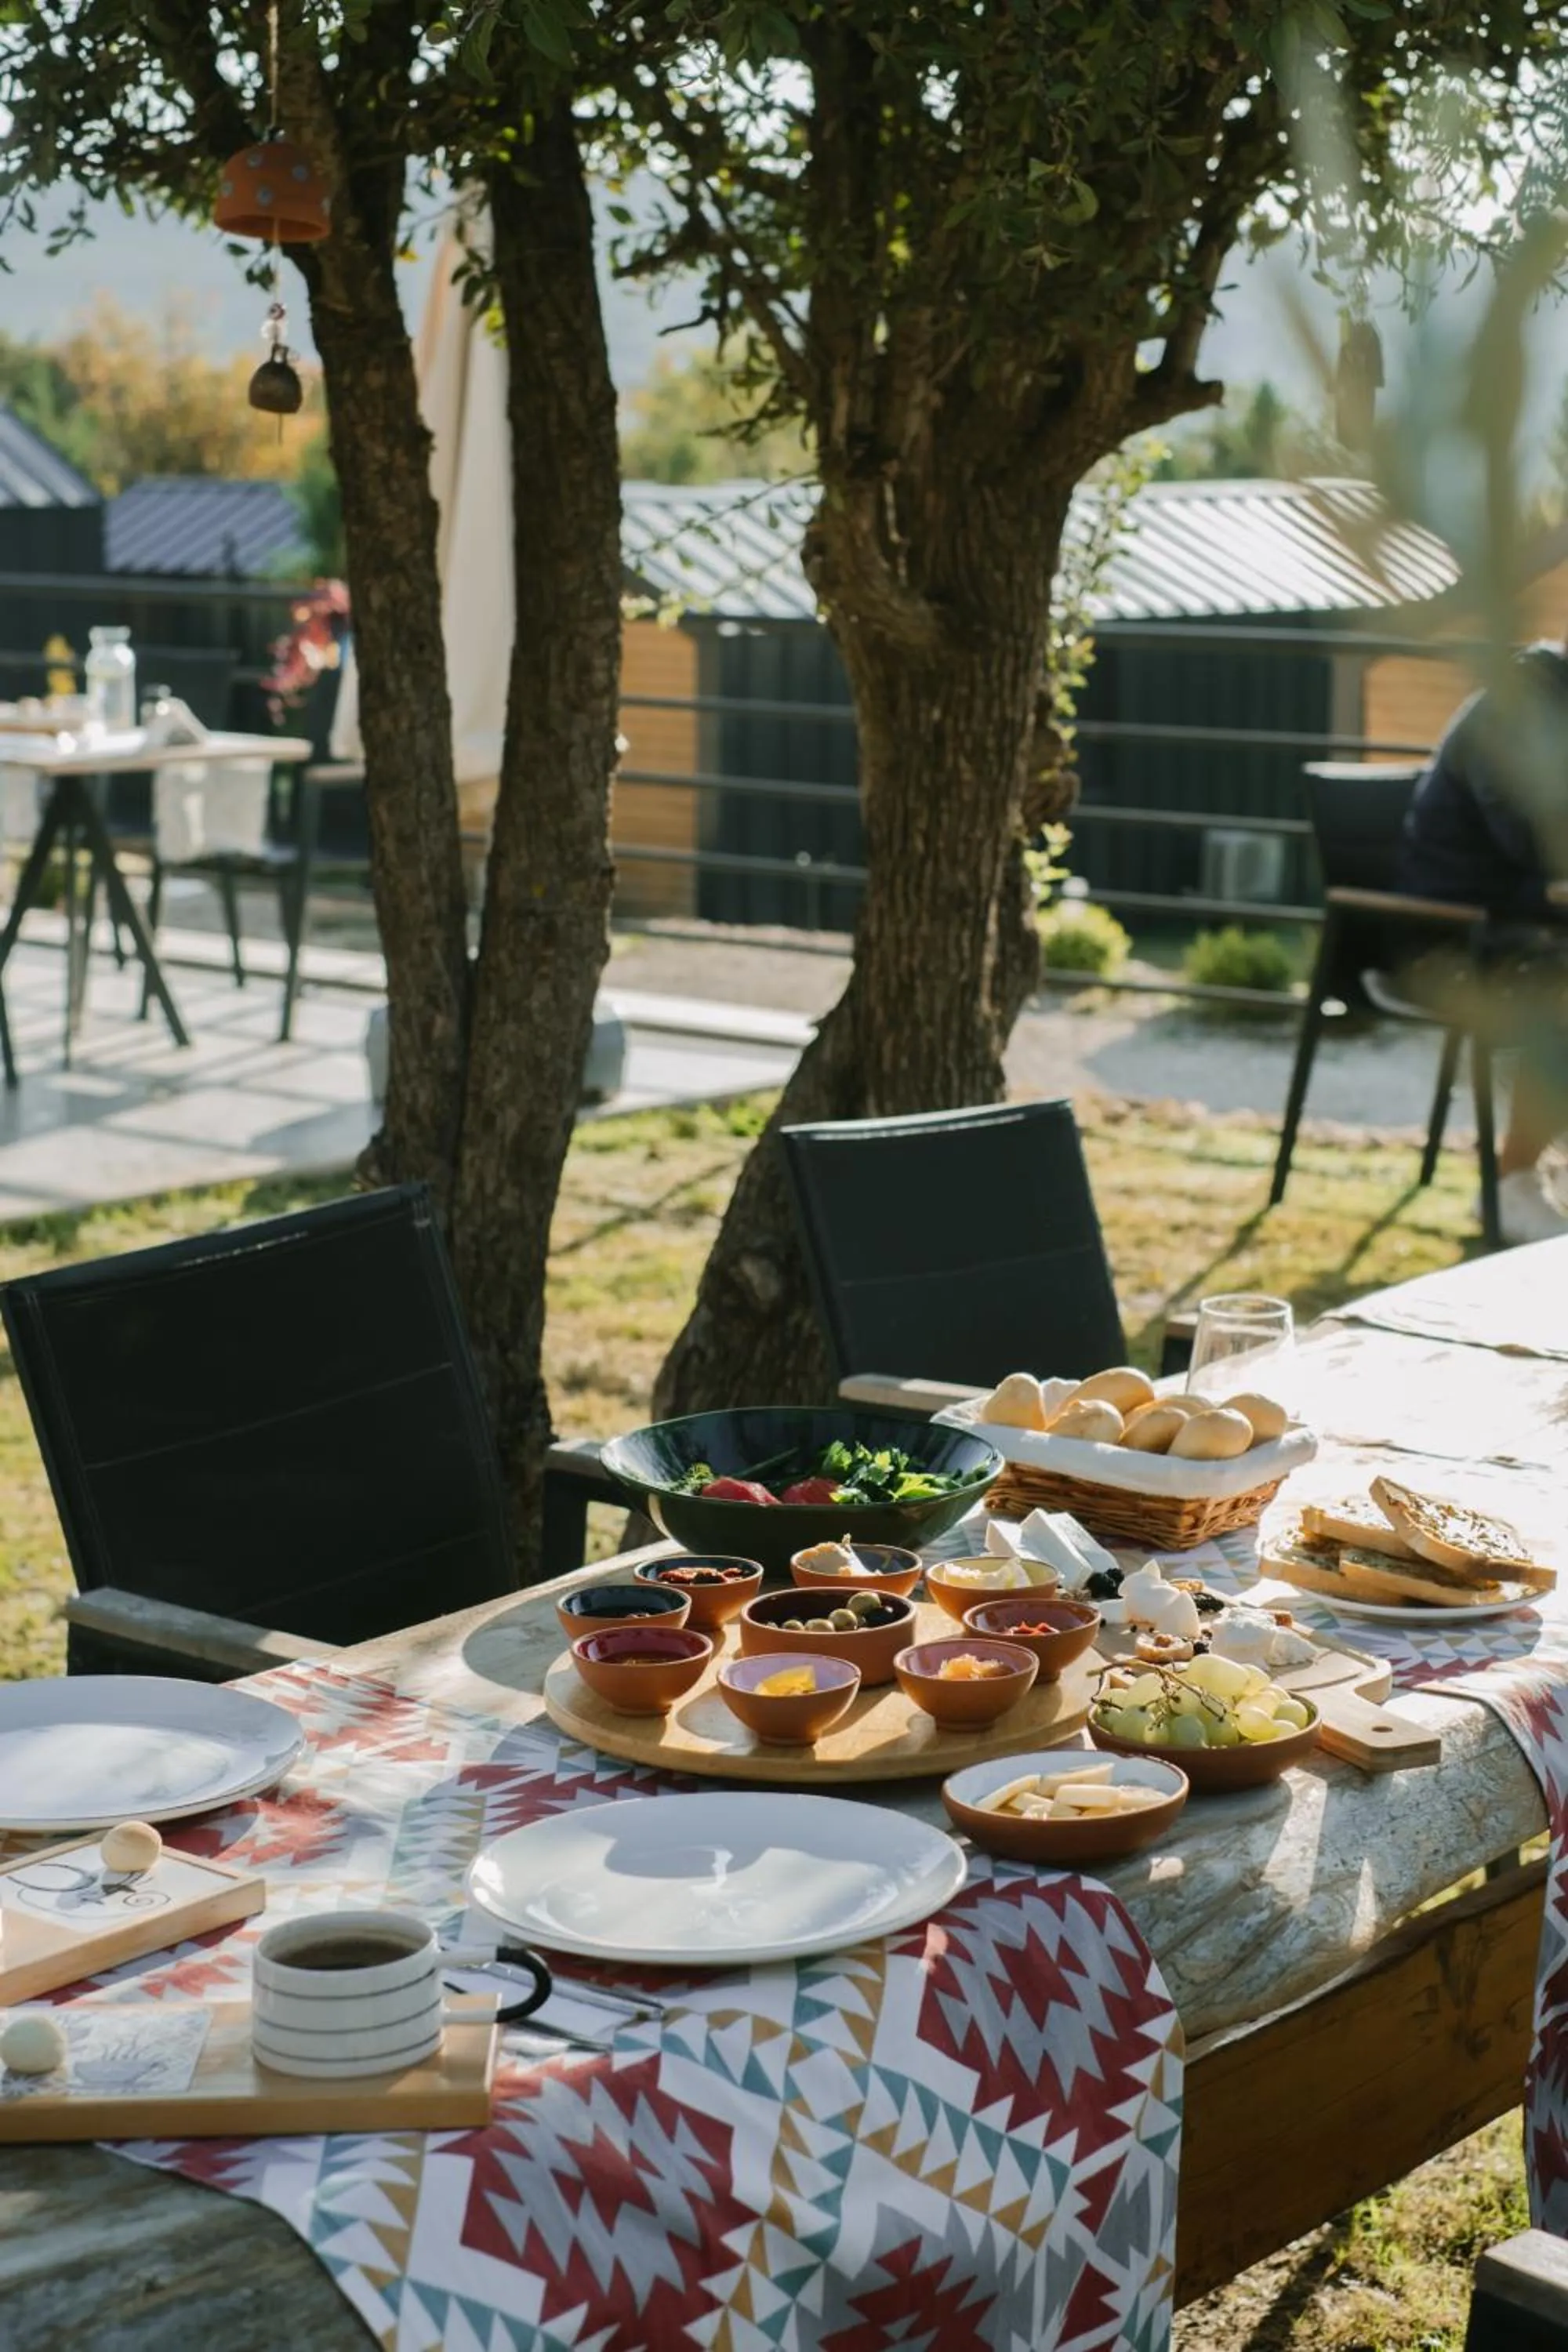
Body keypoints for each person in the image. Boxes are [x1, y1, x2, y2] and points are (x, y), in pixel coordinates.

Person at [1396, 643, 1568, 1247]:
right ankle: (1513, 1180)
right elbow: (1530, 840)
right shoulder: (1514, 712)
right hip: (1456, 933)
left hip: (1526, 919)